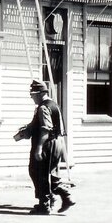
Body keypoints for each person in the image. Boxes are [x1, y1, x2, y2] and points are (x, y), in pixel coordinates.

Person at [12, 80, 75, 215]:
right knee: (46, 172)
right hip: (58, 142)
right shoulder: (53, 104)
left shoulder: (43, 107)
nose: (31, 97)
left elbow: (46, 129)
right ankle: (55, 198)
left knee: (39, 172)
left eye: (33, 94)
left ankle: (47, 204)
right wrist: (28, 128)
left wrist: (39, 148)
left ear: (40, 94)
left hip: (47, 143)